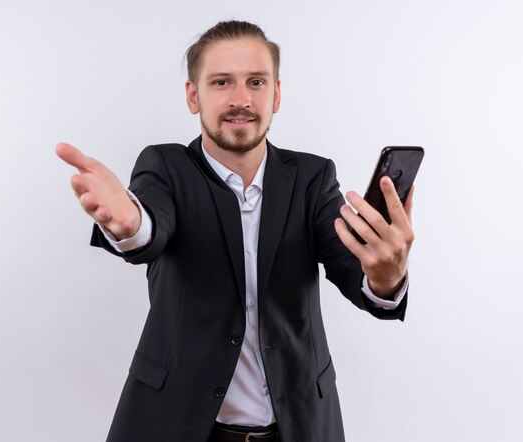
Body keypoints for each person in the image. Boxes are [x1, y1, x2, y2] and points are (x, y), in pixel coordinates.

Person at [57, 20, 413, 442]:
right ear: (194, 96)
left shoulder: (313, 177)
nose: (241, 100)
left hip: (298, 427)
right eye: (222, 82)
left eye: (256, 82)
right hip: (176, 426)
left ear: (276, 94)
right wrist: (130, 224)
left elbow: (354, 267)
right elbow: (150, 224)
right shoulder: (165, 167)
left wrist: (386, 277)